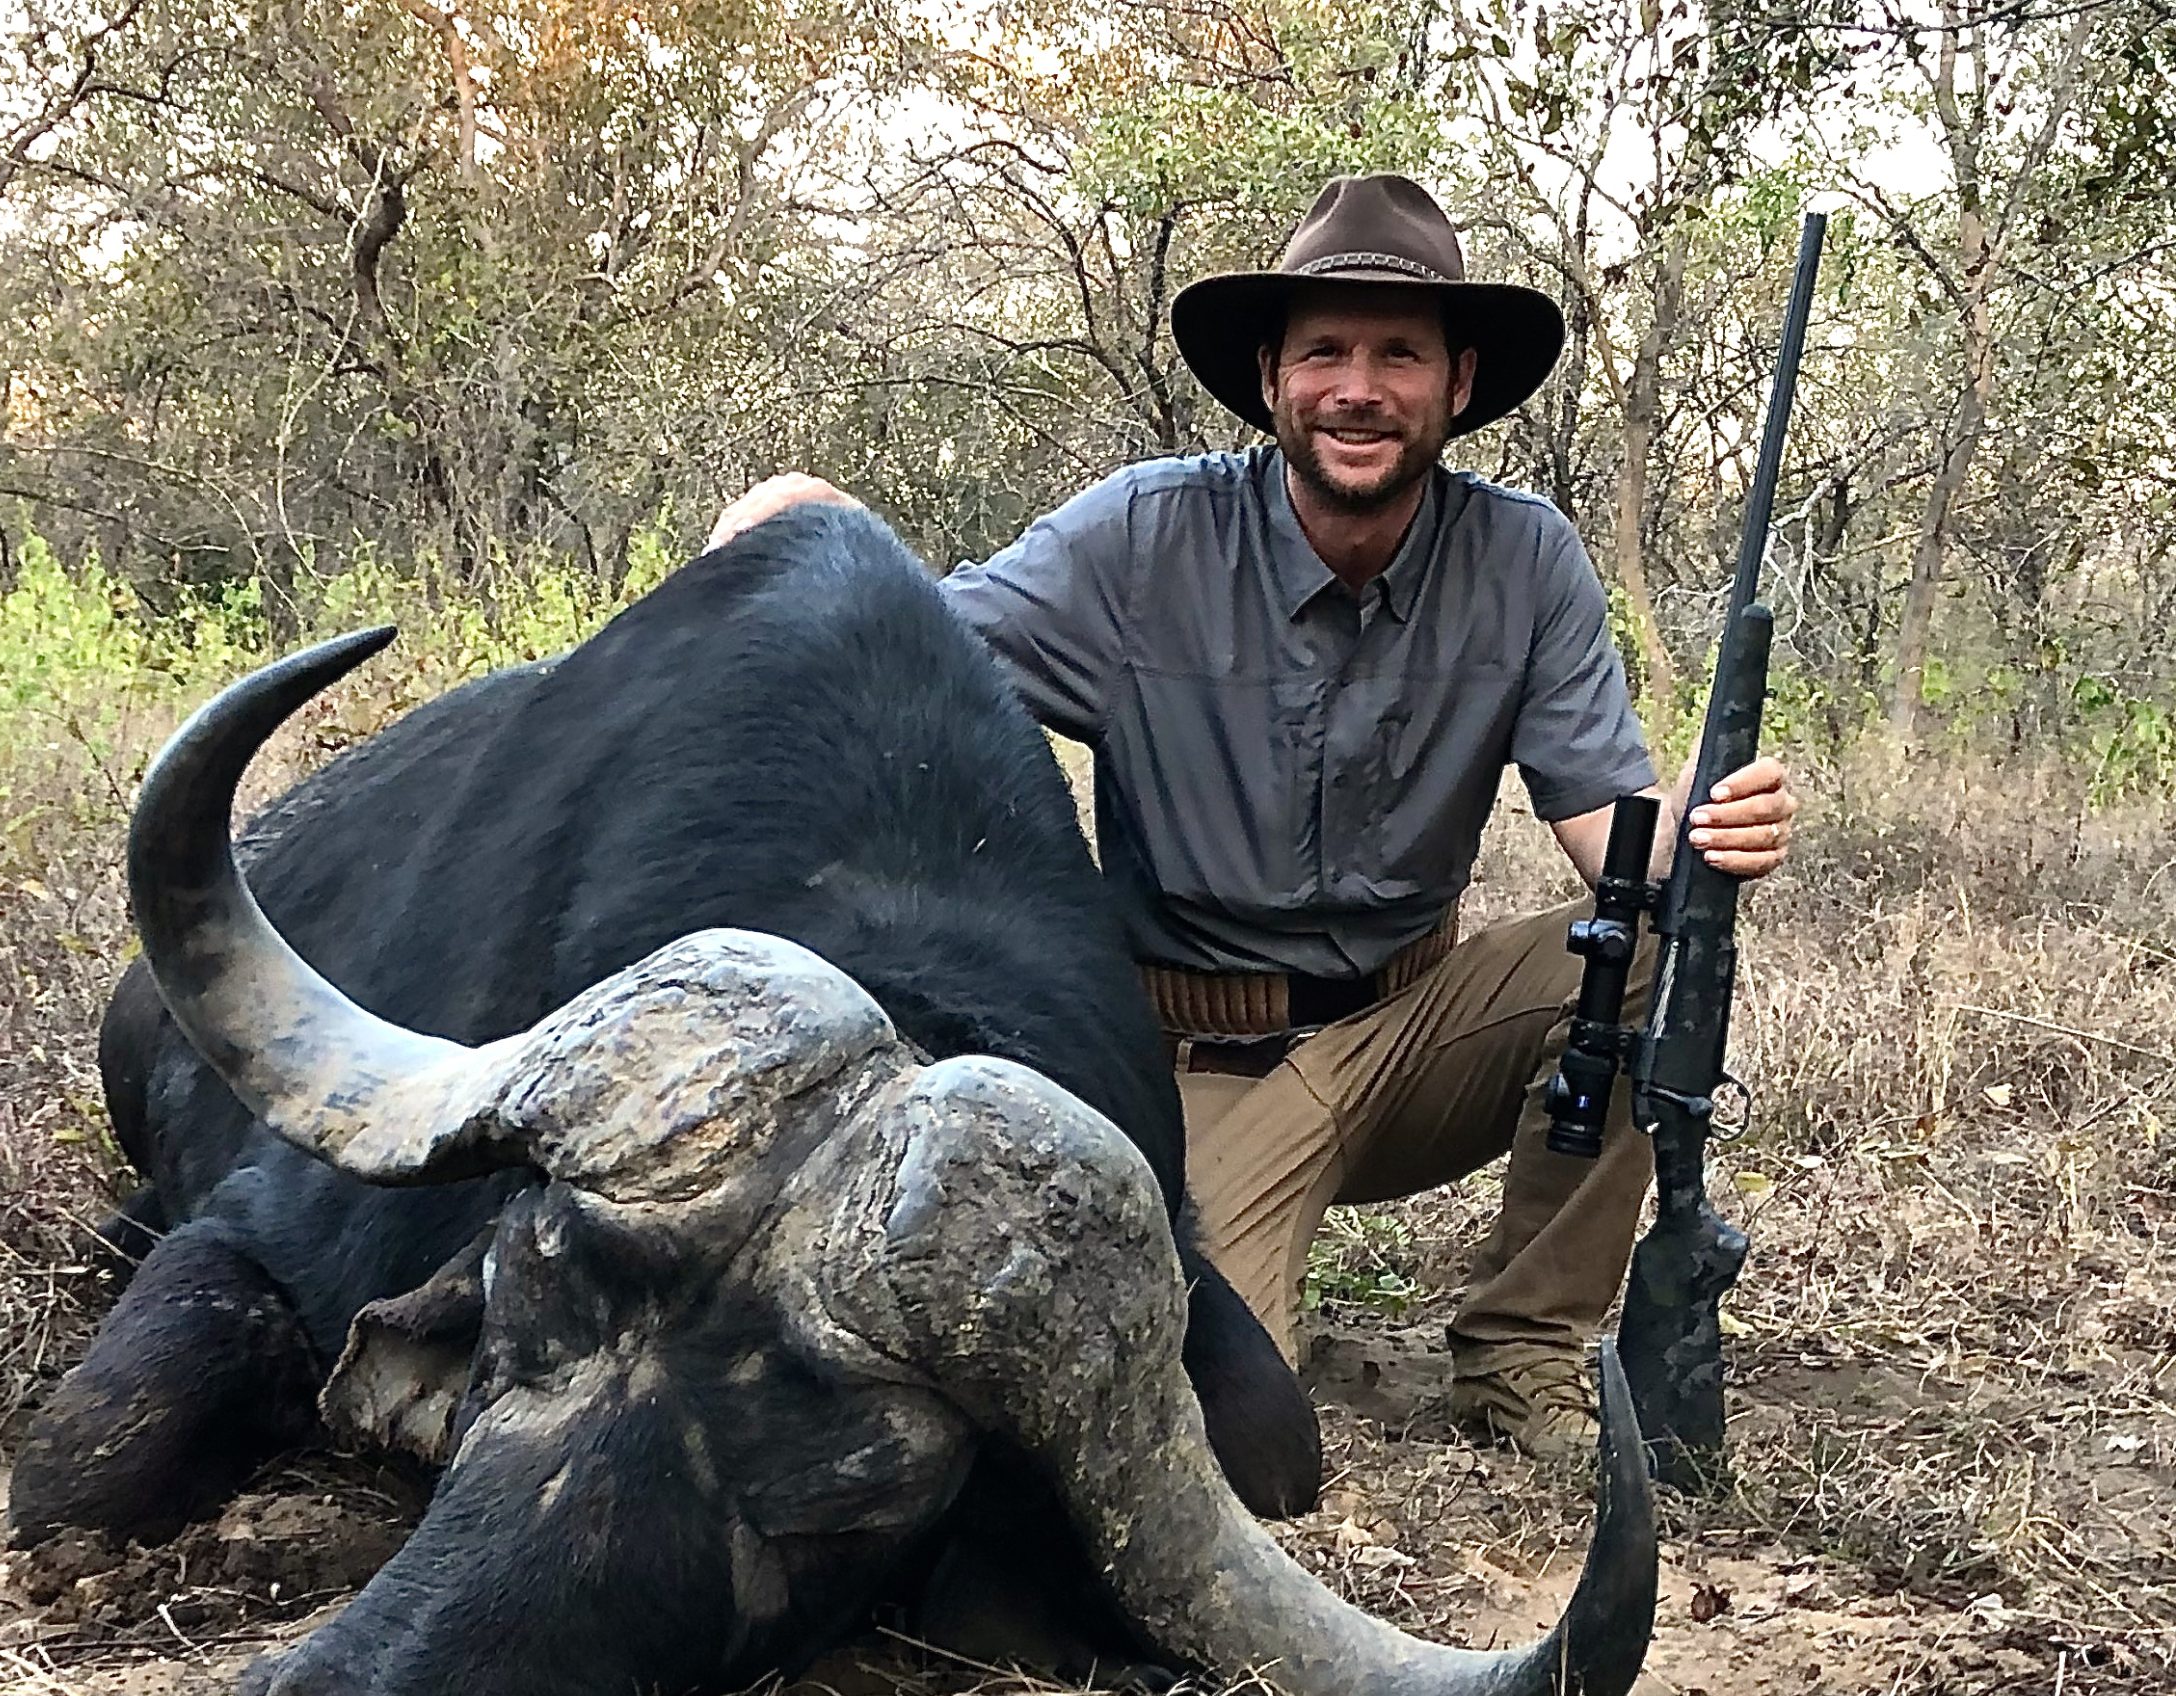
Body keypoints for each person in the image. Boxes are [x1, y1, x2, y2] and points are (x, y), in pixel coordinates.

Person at [705, 172, 1798, 1458]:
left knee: (1657, 943)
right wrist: (796, 534)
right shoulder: (1137, 536)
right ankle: (1234, 1264)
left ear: (1456, 383)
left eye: (1399, 353)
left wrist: (1706, 828)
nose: (1358, 387)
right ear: (1272, 375)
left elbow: (1610, 832)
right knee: (1230, 1421)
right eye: (1324, 349)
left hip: (1408, 1029)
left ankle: (1520, 1353)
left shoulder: (1526, 556)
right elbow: (909, 637)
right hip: (1197, 1062)